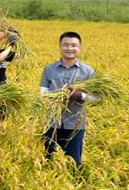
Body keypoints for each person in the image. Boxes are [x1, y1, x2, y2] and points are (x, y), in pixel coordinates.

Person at [40, 31, 97, 167]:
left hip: (75, 124)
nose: (70, 48)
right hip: (52, 122)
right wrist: (55, 97)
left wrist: (81, 96)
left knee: (73, 163)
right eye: (66, 45)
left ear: (79, 48)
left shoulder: (88, 71)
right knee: (47, 161)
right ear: (60, 47)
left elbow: (97, 97)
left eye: (73, 45)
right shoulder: (49, 69)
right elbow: (42, 93)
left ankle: (72, 186)